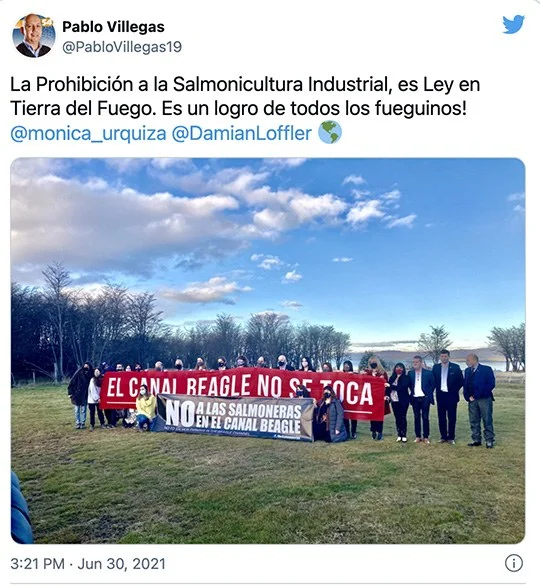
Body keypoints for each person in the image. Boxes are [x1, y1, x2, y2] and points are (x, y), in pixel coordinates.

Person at [463, 354, 496, 448]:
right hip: (471, 400)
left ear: (474, 360)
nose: (466, 362)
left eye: (468, 360)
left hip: (484, 399)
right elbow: (465, 384)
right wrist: (467, 396)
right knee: (473, 420)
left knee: (487, 419)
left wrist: (477, 395)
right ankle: (476, 439)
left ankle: (489, 440)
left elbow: (491, 384)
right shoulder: (467, 371)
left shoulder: (486, 369)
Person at [432, 349, 464, 444]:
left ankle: (451, 437)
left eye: (445, 356)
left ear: (448, 357)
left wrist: (454, 390)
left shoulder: (455, 367)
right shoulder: (436, 367)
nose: (443, 358)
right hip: (440, 395)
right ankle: (443, 436)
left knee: (451, 417)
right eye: (442, 356)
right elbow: (433, 381)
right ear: (440, 357)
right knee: (441, 417)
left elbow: (461, 381)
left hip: (451, 396)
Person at [408, 355, 435, 443]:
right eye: (414, 362)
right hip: (415, 398)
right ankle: (418, 436)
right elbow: (409, 385)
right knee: (416, 417)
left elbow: (433, 384)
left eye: (416, 362)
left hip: (425, 398)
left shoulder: (428, 373)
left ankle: (426, 436)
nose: (415, 364)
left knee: (425, 417)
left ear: (421, 362)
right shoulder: (410, 373)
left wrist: (428, 394)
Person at [361, 355, 390, 440]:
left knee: (379, 416)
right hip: (371, 397)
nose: (373, 364)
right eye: (371, 363)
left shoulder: (382, 373)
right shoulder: (368, 373)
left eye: (374, 362)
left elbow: (387, 385)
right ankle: (373, 430)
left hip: (380, 398)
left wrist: (386, 395)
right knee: (372, 416)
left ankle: (380, 431)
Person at [387, 362, 410, 442]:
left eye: (400, 367)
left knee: (403, 417)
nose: (399, 369)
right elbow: (388, 388)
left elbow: (401, 387)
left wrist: (390, 386)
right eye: (397, 367)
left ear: (403, 369)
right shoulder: (392, 377)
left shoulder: (406, 378)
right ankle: (399, 434)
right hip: (394, 400)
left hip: (403, 400)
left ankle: (404, 434)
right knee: (397, 417)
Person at [67, 362, 93, 429]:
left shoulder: (90, 374)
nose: (86, 367)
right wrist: (70, 393)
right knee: (77, 410)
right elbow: (72, 382)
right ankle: (77, 423)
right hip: (77, 394)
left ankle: (82, 423)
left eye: (87, 366)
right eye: (85, 365)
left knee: (84, 410)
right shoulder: (79, 372)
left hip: (85, 394)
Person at [341, 360, 358, 439]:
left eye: (348, 365)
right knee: (345, 416)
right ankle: (347, 432)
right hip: (344, 398)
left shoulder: (354, 375)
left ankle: (353, 432)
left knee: (353, 416)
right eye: (345, 365)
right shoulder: (340, 375)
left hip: (352, 398)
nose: (346, 367)